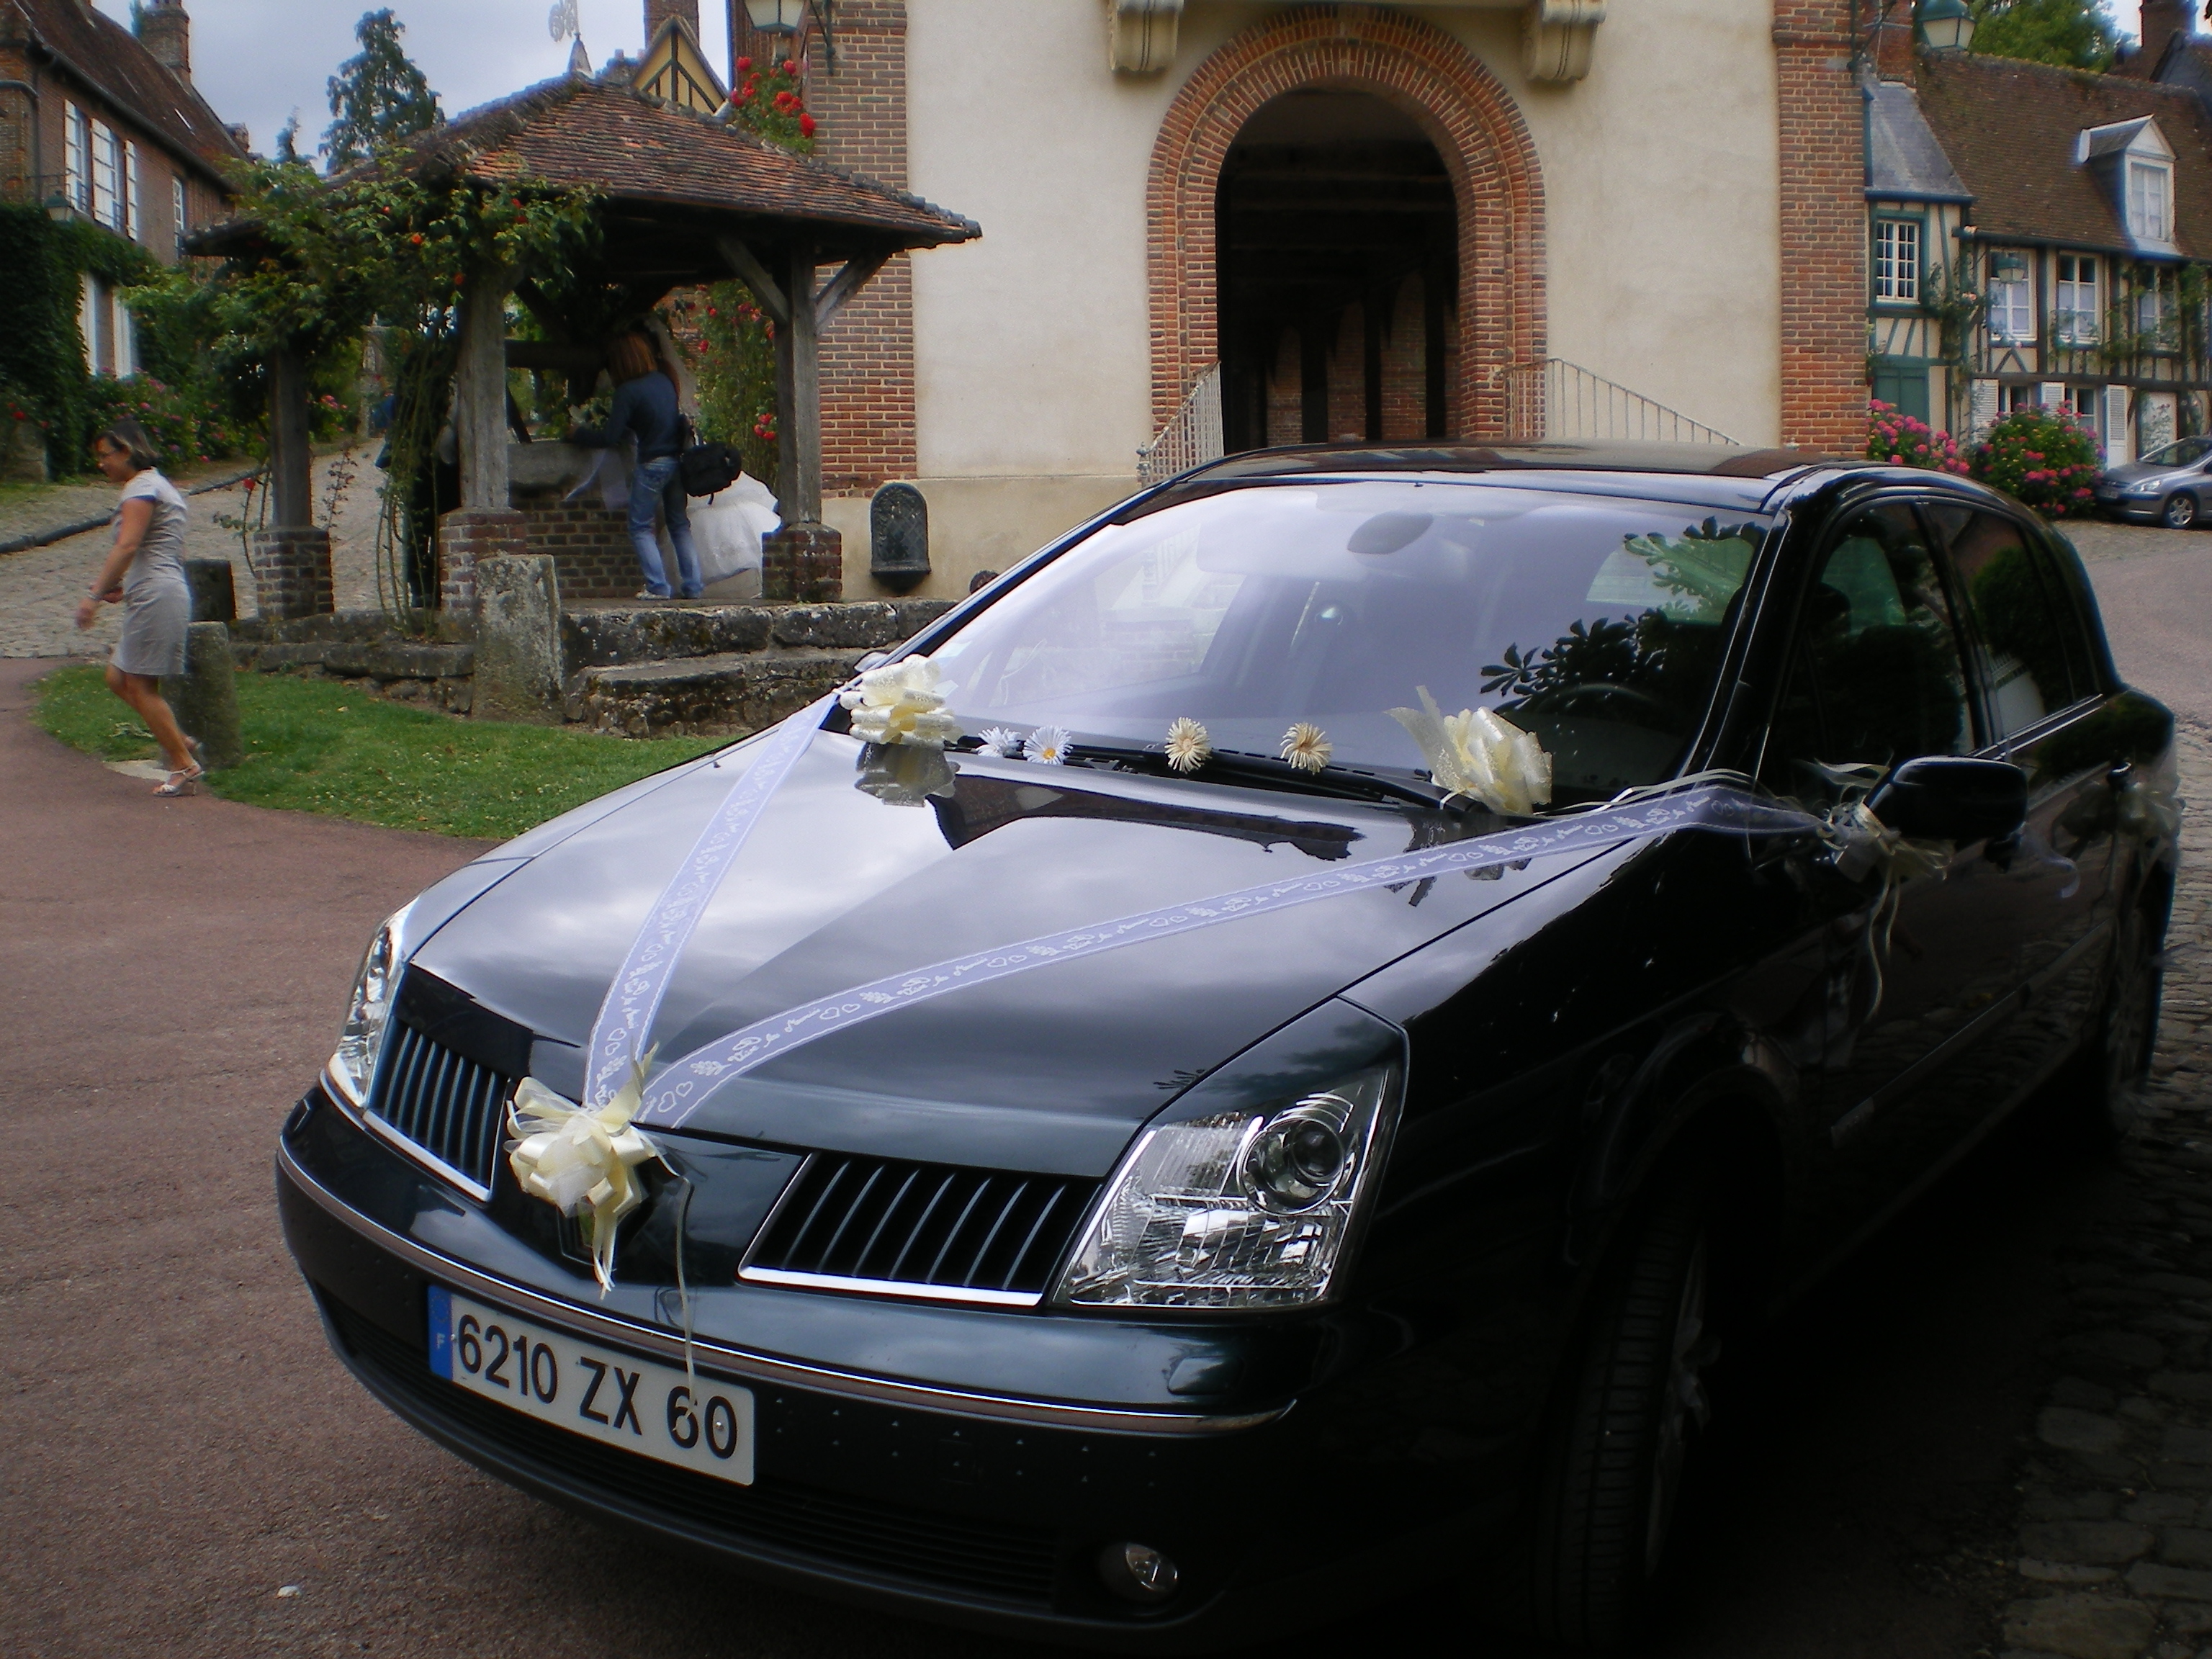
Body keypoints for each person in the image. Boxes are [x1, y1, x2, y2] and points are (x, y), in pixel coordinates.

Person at [74, 417, 202, 796]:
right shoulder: (155, 485)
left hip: (156, 594)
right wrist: (123, 587)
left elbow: (127, 545)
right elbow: (156, 550)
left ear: (127, 451)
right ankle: (180, 741)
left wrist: (94, 596)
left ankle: (184, 764)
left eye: (106, 455)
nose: (102, 463)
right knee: (118, 679)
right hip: (152, 591)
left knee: (141, 686)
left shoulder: (142, 488)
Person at [580, 331, 703, 600]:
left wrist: (578, 434)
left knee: (640, 527)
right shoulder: (664, 381)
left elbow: (610, 437)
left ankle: (658, 587)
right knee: (679, 524)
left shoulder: (627, 392)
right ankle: (693, 586)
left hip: (652, 464)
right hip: (677, 461)